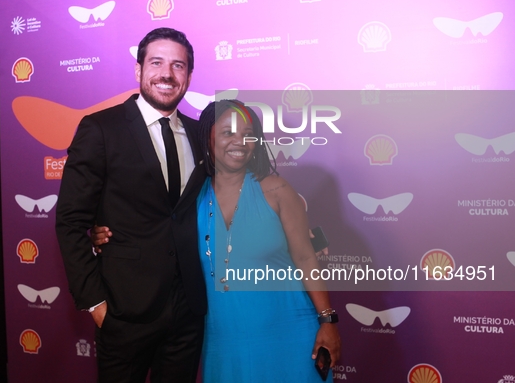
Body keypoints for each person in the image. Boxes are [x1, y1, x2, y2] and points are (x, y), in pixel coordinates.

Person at [93, 100, 341, 382]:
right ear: (207, 138)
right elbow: (149, 232)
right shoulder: (189, 199)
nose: (240, 142)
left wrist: (328, 320)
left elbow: (306, 257)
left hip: (290, 331)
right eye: (228, 133)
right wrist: (101, 233)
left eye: (248, 134)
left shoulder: (277, 190)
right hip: (224, 340)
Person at [55, 28, 207, 383]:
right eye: (156, 62)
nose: (167, 74)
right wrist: (96, 304)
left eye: (178, 65)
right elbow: (70, 219)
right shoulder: (101, 128)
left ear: (188, 76)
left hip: (187, 312)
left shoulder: (201, 135)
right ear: (138, 70)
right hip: (124, 311)